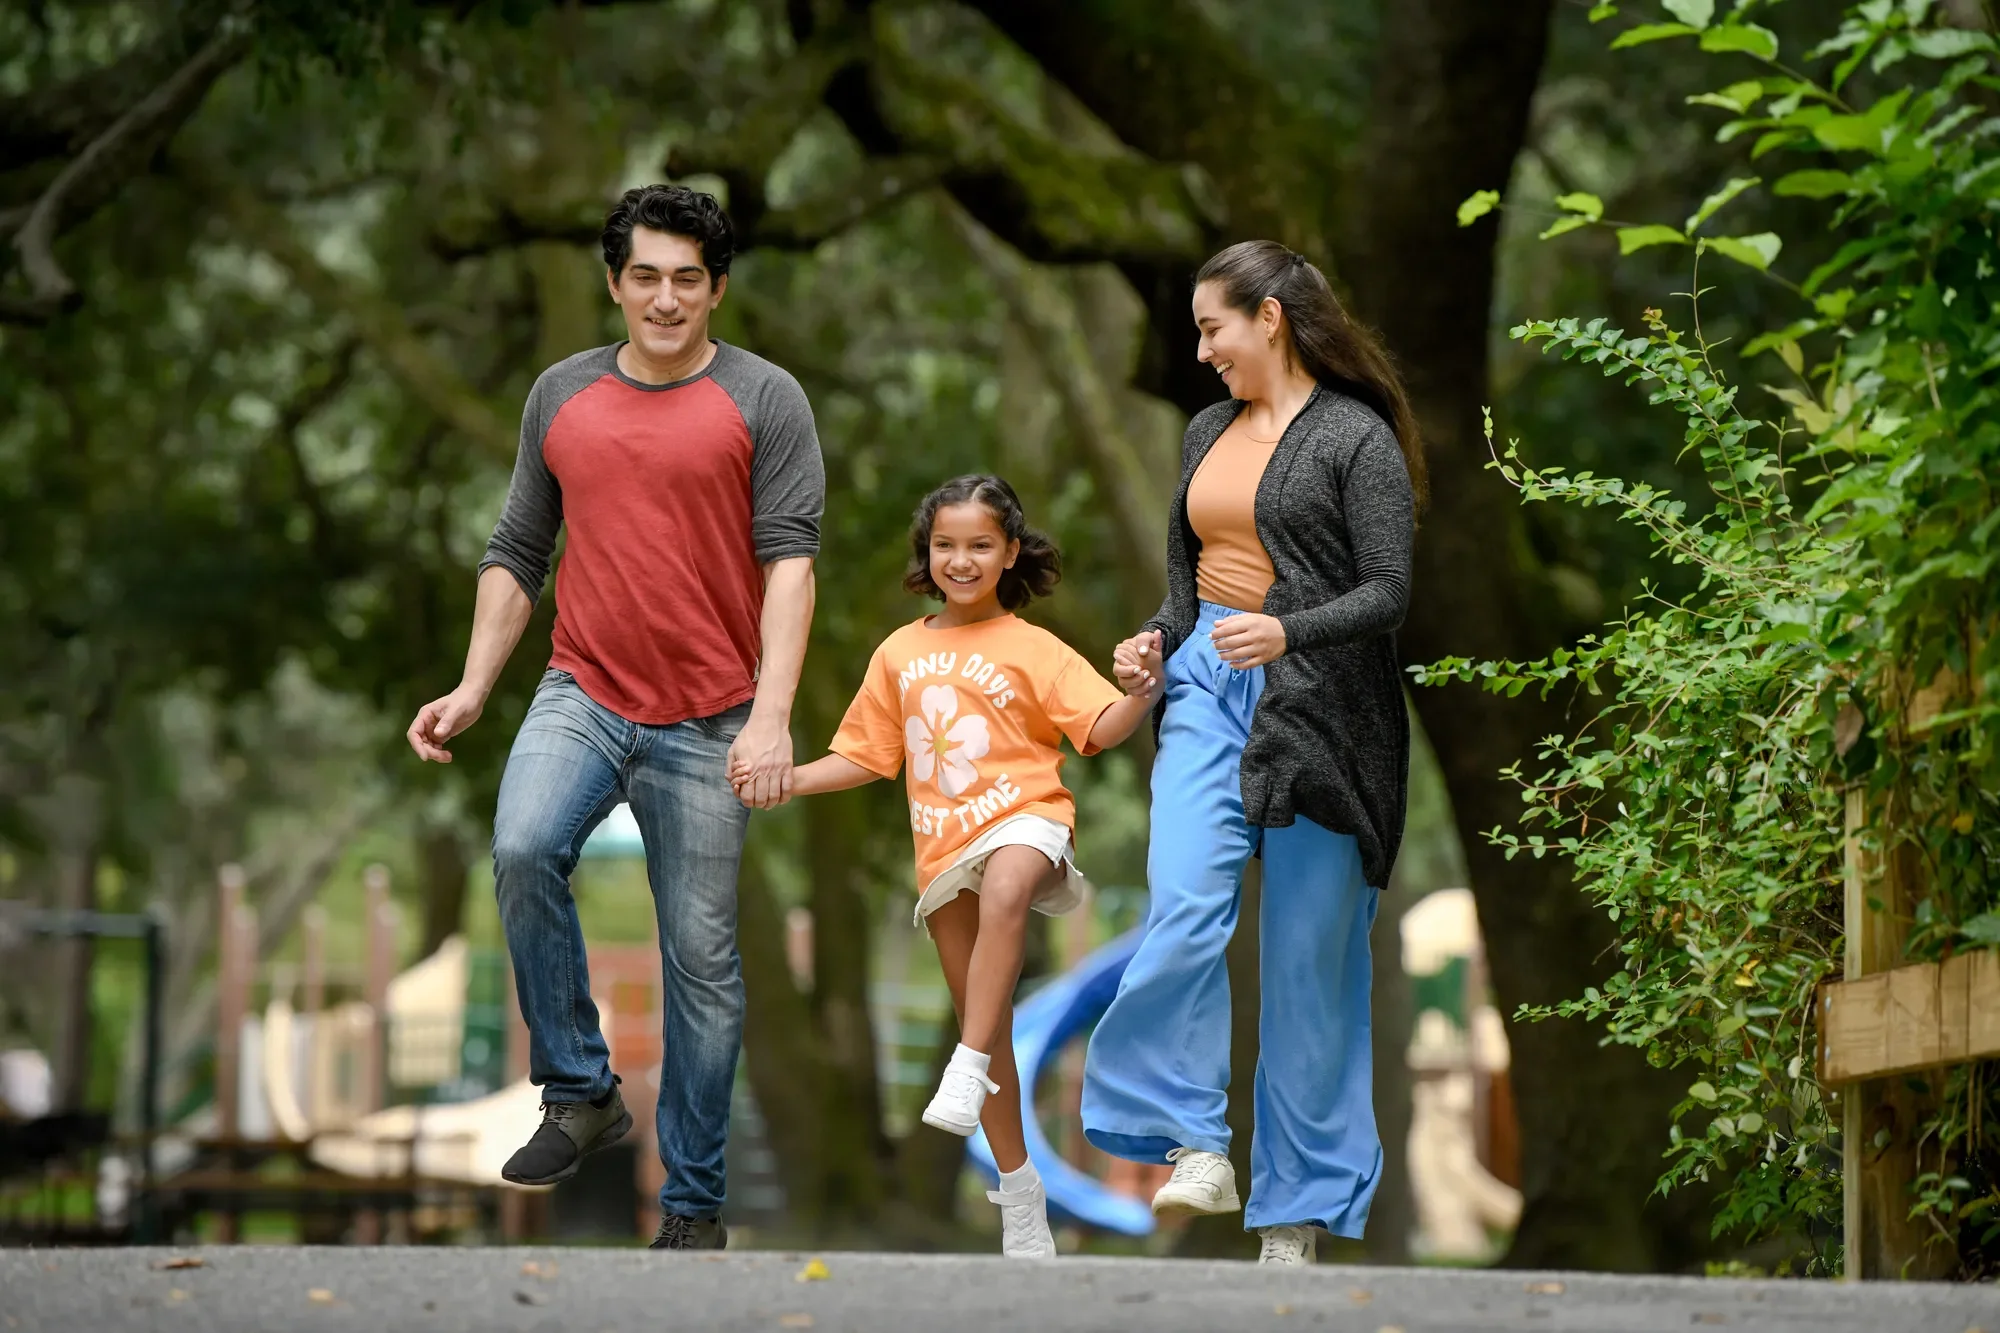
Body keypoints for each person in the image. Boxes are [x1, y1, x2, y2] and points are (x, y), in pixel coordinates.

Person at [404, 184, 823, 1252]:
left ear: (717, 288)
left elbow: (789, 570)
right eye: (646, 275)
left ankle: (690, 1205)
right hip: (580, 686)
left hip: (715, 715)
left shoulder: (765, 399)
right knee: (522, 842)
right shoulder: (562, 394)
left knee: (703, 964)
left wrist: (771, 718)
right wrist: (470, 688)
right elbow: (516, 552)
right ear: (614, 282)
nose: (666, 297)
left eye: (688, 278)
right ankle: (580, 1088)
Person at [1081, 240, 1425, 1267]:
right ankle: (1194, 1139)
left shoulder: (1353, 439)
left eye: (1210, 328)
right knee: (1182, 905)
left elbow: (1387, 589)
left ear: (1267, 319)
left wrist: (1288, 632)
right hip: (1203, 687)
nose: (1200, 352)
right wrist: (1153, 639)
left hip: (1323, 712)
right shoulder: (1203, 431)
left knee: (1306, 968)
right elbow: (1191, 580)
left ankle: (1292, 1218)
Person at [745, 475, 1156, 1259]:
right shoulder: (900, 651)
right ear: (926, 554)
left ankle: (963, 1068)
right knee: (989, 1017)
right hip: (943, 848)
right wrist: (789, 778)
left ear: (1008, 553)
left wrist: (1142, 691)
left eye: (978, 545)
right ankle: (1020, 1190)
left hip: (1029, 821)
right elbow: (865, 755)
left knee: (1007, 887)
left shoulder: (1036, 647)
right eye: (944, 545)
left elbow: (1099, 727)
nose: (960, 559)